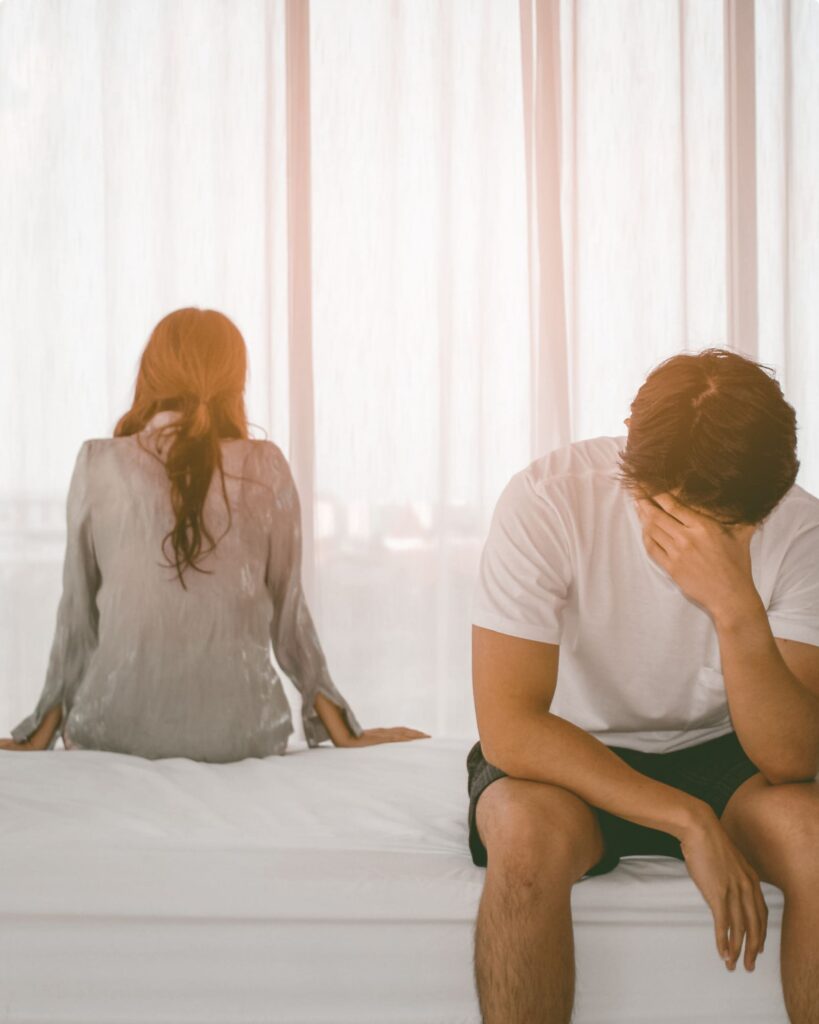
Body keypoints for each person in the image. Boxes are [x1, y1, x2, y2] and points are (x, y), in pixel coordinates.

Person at [466, 348, 819, 1024]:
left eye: (729, 525)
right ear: (632, 456)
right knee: (523, 838)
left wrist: (733, 605)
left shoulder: (797, 526)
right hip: (568, 751)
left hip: (727, 751)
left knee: (811, 838)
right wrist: (686, 820)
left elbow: (792, 758)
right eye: (679, 512)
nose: (700, 537)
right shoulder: (548, 498)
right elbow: (509, 727)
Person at [1, 307, 429, 761]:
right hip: (242, 735)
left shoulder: (96, 463)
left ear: (151, 372)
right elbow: (290, 615)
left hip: (114, 731)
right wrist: (344, 730)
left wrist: (40, 732)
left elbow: (78, 613)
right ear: (235, 381)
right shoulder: (266, 465)